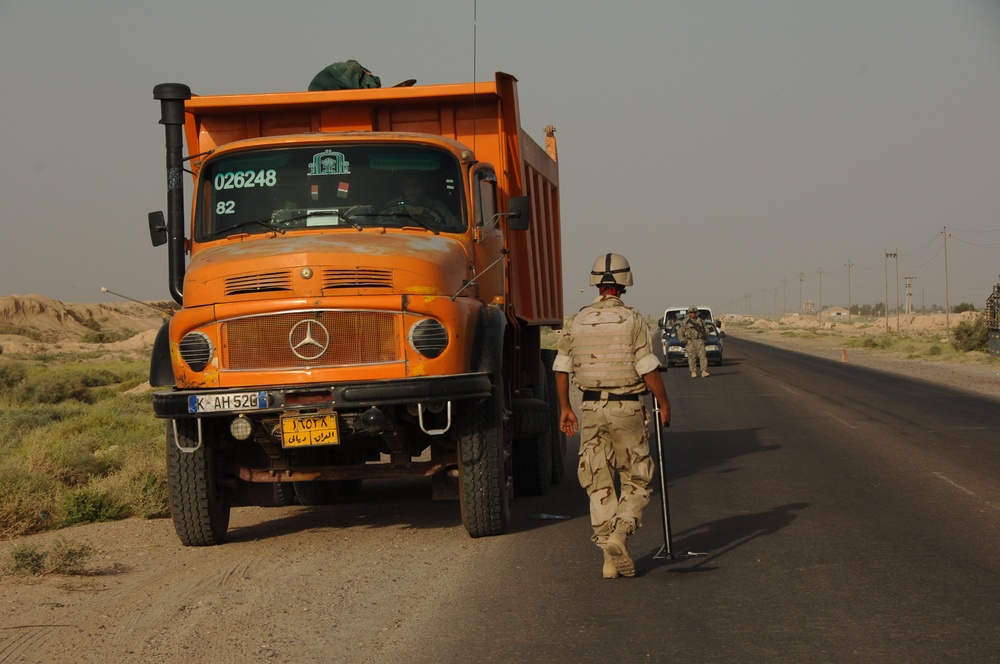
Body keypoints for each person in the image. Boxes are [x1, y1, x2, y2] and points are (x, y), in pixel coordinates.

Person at [553, 253, 671, 579]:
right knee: (637, 477)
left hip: (590, 409)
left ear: (596, 283)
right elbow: (647, 368)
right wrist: (664, 401)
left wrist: (565, 408)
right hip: (627, 407)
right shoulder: (633, 321)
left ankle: (608, 558)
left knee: (598, 481)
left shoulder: (576, 321)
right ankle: (620, 534)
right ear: (623, 284)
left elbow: (561, 368)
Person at [381, 172, 458, 228]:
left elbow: (455, 229)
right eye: (407, 187)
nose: (411, 191)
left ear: (424, 186)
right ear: (402, 187)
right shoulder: (389, 209)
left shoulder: (439, 208)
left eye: (416, 186)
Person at [679, 306, 710, 377]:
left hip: (700, 341)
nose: (693, 314)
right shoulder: (685, 322)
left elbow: (706, 328)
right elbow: (680, 331)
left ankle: (704, 371)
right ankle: (693, 371)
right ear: (689, 313)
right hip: (690, 341)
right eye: (691, 312)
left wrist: (706, 333)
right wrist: (682, 339)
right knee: (691, 357)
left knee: (703, 356)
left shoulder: (700, 320)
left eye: (694, 312)